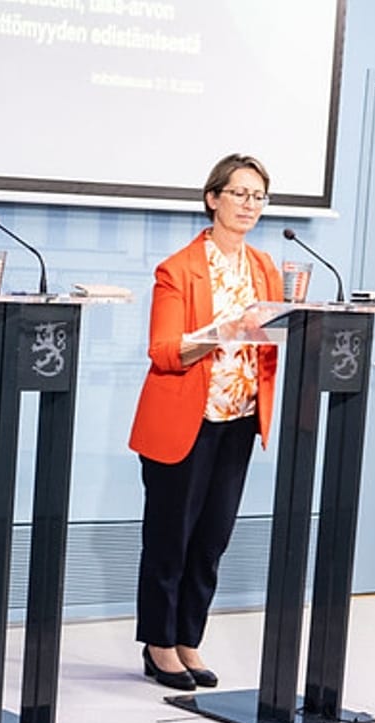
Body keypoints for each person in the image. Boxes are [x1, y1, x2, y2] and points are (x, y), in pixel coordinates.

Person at [129, 153, 282, 691]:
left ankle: (189, 638)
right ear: (213, 198)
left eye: (258, 196)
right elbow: (164, 351)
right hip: (184, 422)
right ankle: (159, 644)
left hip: (239, 419)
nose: (250, 205)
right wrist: (225, 330)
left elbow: (273, 339)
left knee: (212, 539)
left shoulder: (265, 267)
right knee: (170, 539)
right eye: (239, 193)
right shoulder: (179, 269)